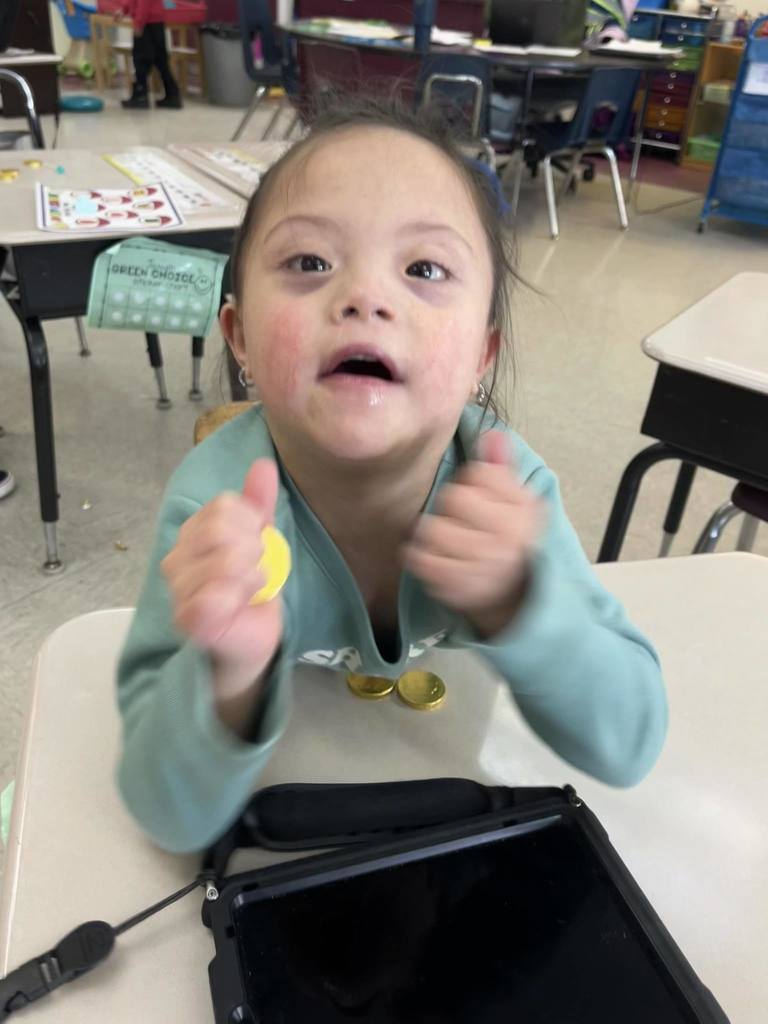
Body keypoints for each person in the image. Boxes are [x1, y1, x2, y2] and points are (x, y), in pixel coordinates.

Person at [116, 95, 668, 854]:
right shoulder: (218, 511)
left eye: (425, 268)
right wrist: (226, 676)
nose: (366, 298)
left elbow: (630, 742)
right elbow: (163, 815)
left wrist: (524, 607)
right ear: (239, 337)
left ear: (481, 354)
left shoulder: (505, 495)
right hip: (293, 833)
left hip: (447, 825)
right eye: (309, 261)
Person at [117, 0, 182, 110]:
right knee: (160, 61)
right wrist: (124, 10)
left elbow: (144, 3)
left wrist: (139, 23)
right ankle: (173, 96)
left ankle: (141, 97)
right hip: (154, 22)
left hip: (148, 23)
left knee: (141, 60)